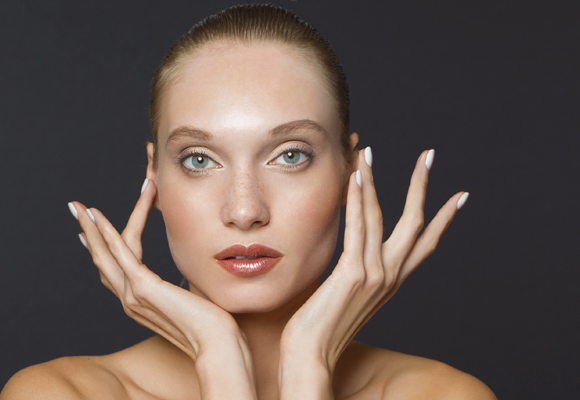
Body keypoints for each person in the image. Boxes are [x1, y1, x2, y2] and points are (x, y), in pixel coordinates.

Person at [0, 4, 496, 399]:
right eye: (199, 160)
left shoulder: (443, 395)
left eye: (290, 155)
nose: (244, 211)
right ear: (154, 176)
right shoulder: (61, 394)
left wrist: (307, 366)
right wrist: (217, 355)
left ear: (350, 171)